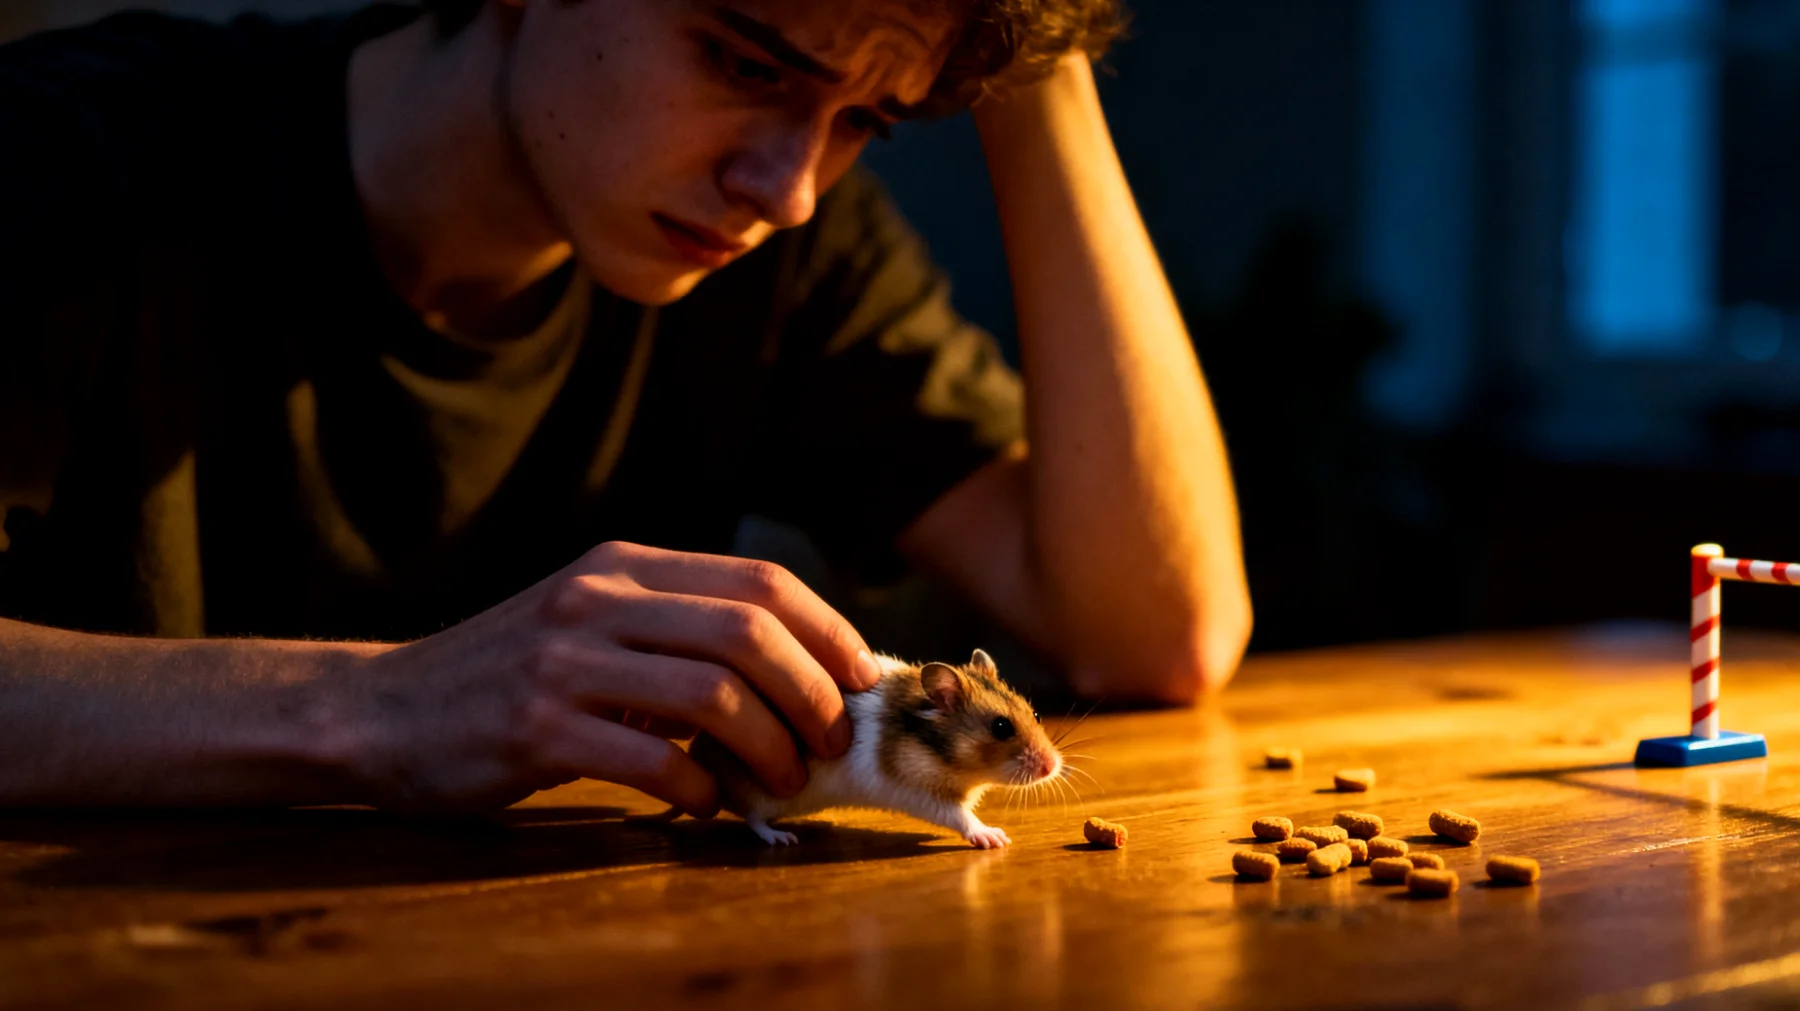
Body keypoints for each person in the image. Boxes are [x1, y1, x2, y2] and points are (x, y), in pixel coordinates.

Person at [0, 0, 1250, 818]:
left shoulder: (787, 259)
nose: (788, 189)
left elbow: (1157, 632)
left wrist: (1030, 50)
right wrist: (374, 709)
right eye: (745, 60)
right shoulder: (71, 153)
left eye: (867, 116)